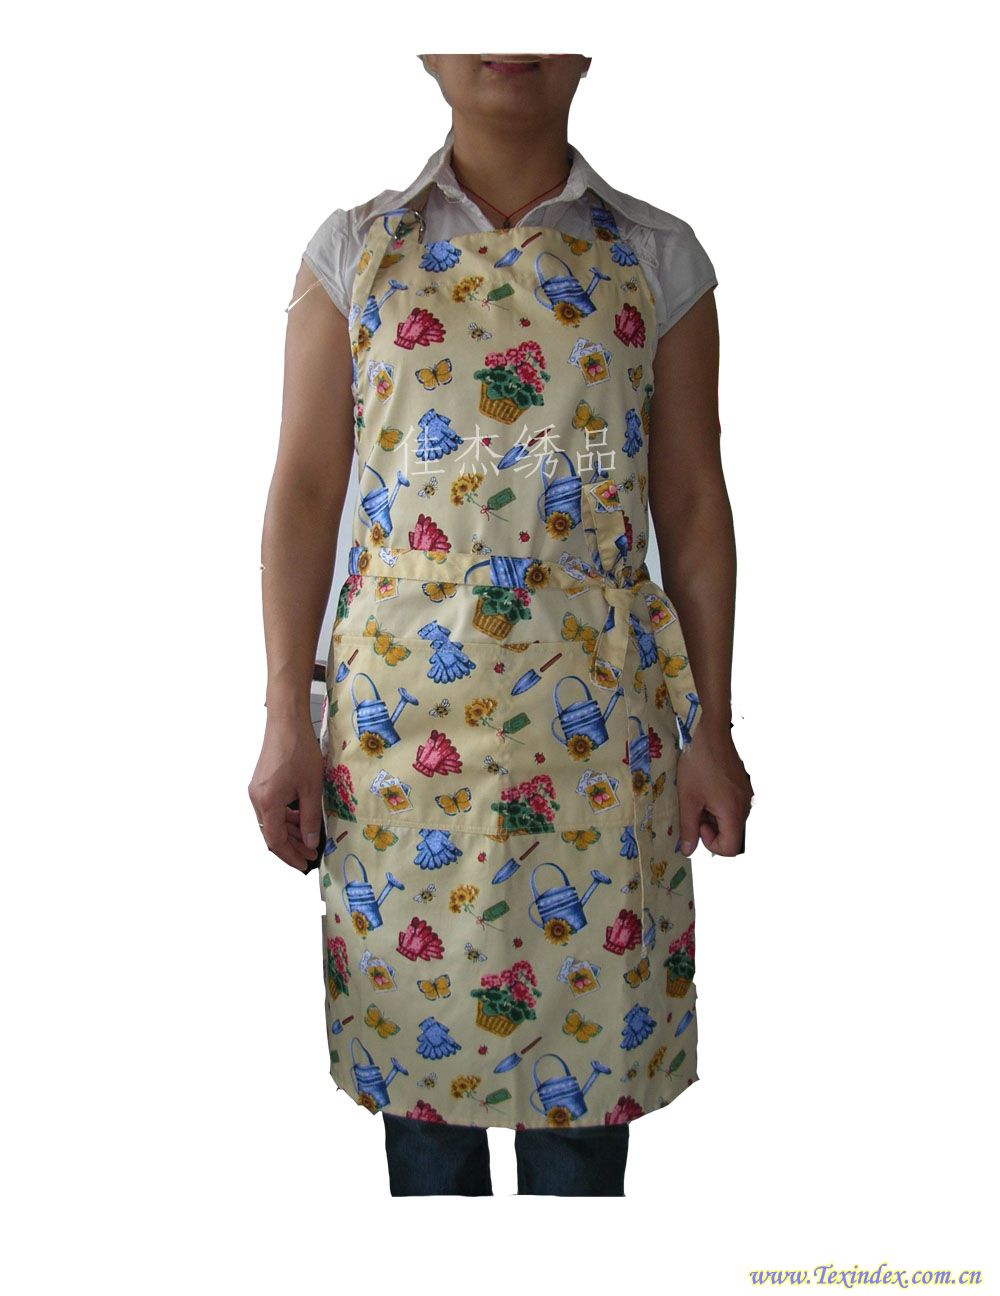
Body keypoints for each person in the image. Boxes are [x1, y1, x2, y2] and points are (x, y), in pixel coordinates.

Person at [249, 53, 753, 1197]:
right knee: (425, 1125)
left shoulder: (657, 257)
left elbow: (690, 503)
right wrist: (287, 715)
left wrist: (712, 727)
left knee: (583, 1120)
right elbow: (305, 493)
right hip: (397, 743)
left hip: (599, 741)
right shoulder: (354, 253)